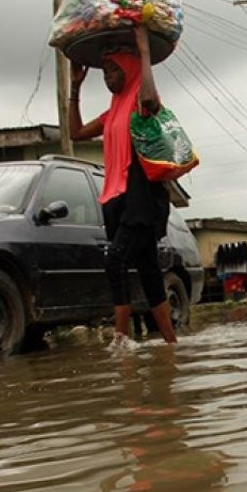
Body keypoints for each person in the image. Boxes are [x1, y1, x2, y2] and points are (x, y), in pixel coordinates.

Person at [69, 26, 177, 346]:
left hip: (141, 199)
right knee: (148, 271)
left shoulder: (139, 104)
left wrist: (144, 53)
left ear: (129, 70)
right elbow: (75, 133)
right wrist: (75, 88)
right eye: (105, 73)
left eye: (114, 70)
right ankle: (171, 345)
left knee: (114, 260)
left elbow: (150, 98)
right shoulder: (111, 111)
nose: (108, 78)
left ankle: (120, 339)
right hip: (116, 199)